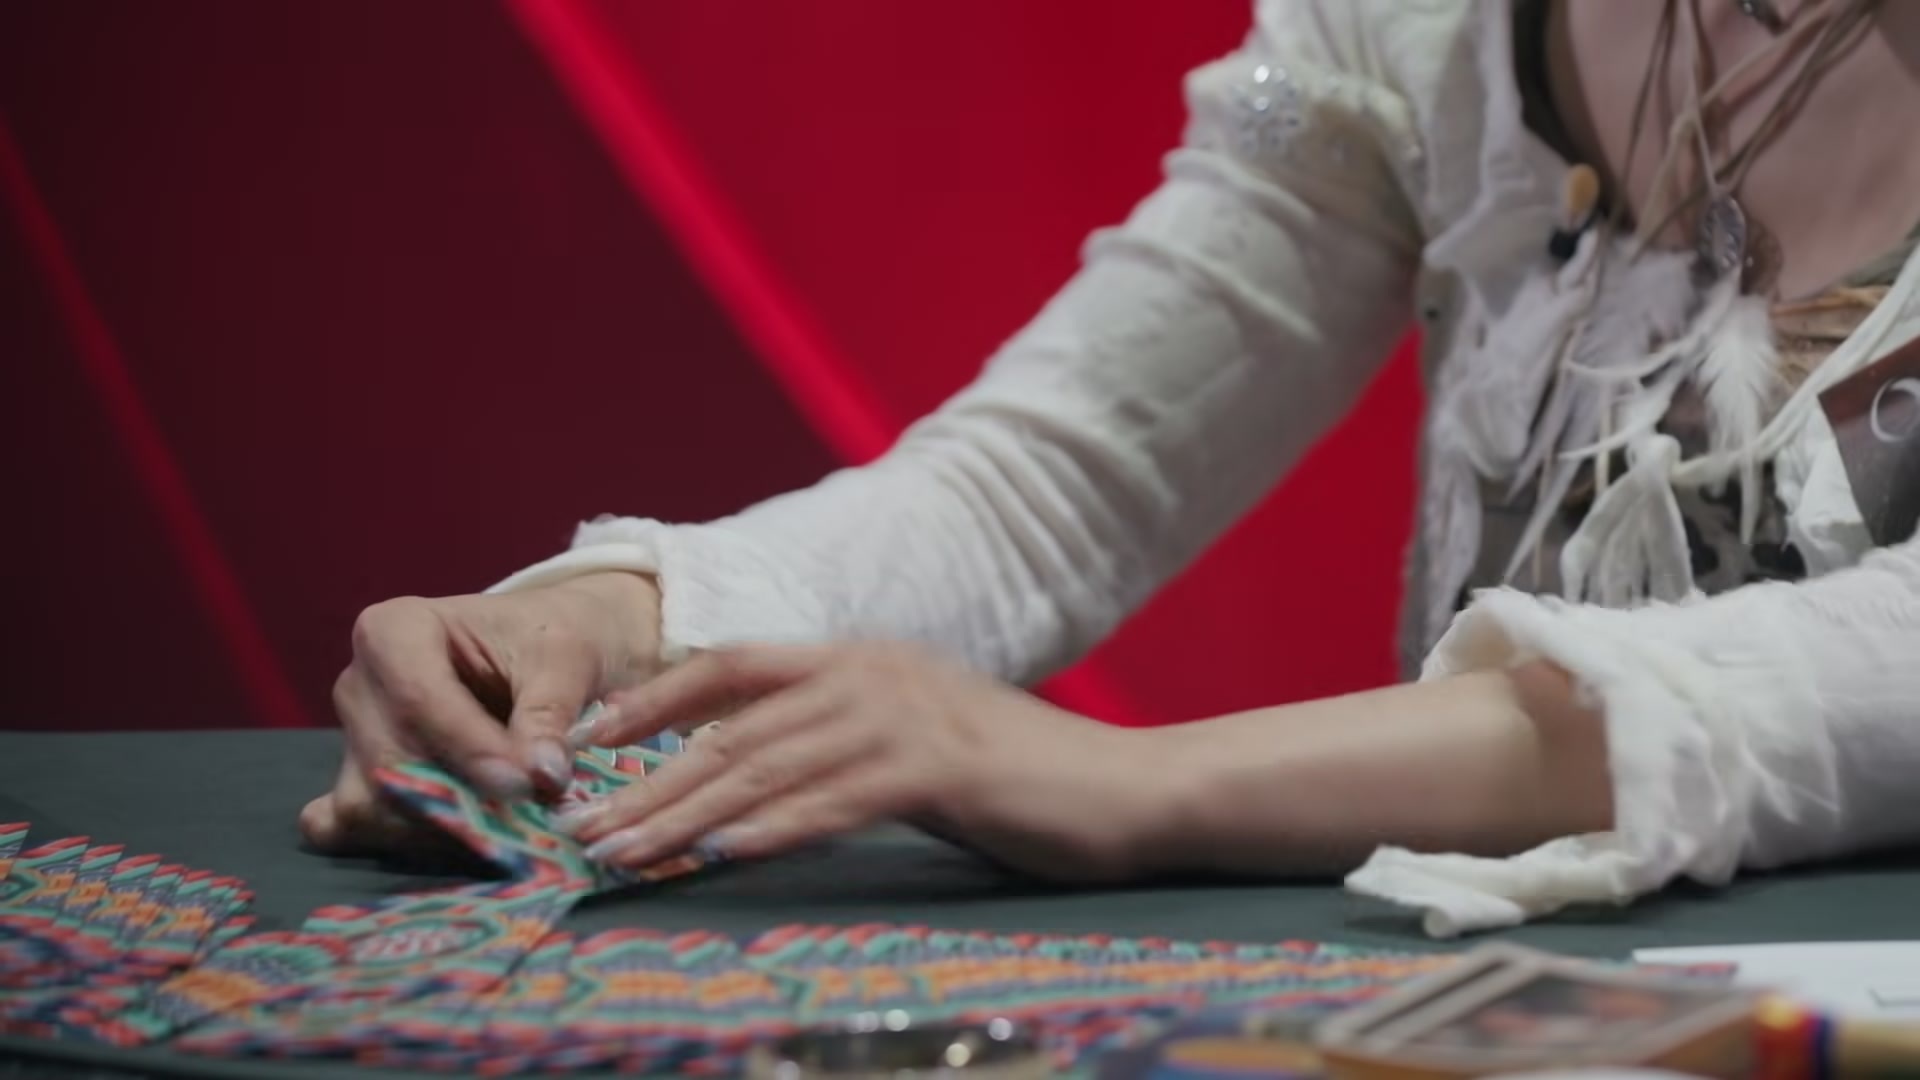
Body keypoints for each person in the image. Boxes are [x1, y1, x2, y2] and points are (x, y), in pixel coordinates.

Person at [301, 0, 1920, 936]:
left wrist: (1135, 785)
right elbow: (1050, 485)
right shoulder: (1421, 23)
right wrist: (622, 620)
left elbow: (1872, 666)